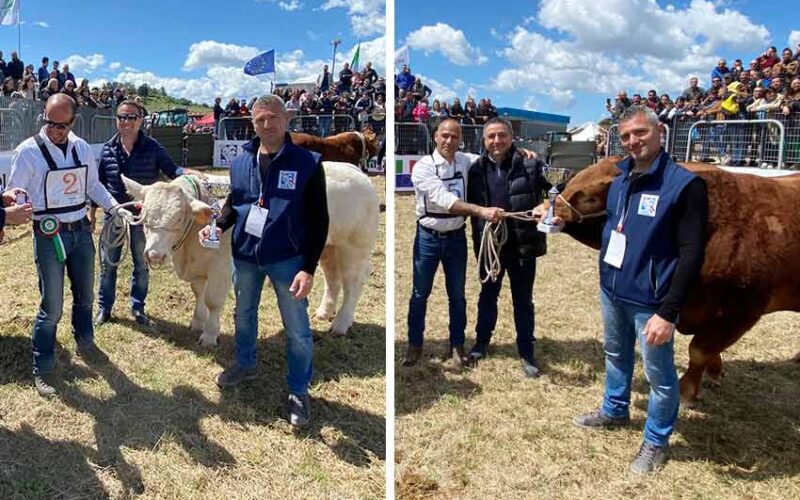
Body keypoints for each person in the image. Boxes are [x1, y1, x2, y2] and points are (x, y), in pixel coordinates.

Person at [572, 105, 708, 474]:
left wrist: (668, 312)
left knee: (659, 376)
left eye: (640, 133)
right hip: (613, 289)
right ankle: (615, 410)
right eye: (627, 136)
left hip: (652, 301)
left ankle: (656, 440)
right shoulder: (620, 181)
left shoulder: (685, 186)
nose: (633, 141)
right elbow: (613, 228)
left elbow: (692, 254)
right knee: (615, 353)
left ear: (659, 131)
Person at [198, 95, 329, 426]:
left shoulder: (308, 162)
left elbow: (320, 220)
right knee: (243, 315)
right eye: (259, 120)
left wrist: (309, 268)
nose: (266, 125)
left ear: (286, 120)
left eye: (272, 118)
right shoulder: (241, 160)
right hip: (245, 256)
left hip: (288, 258)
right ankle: (245, 364)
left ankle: (299, 391)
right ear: (252, 123)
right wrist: (217, 226)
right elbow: (235, 203)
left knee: (297, 328)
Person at [7, 94, 127, 397]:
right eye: (49, 122)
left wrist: (115, 208)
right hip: (49, 235)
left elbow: (93, 186)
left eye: (61, 125)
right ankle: (43, 366)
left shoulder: (82, 148)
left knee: (85, 294)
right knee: (52, 306)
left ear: (73, 122)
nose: (55, 130)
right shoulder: (28, 152)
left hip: (81, 232)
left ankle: (85, 339)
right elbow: (13, 193)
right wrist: (17, 210)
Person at [403, 119, 502, 367]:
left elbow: (494, 152)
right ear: (435, 136)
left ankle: (457, 344)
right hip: (428, 238)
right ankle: (415, 344)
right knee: (419, 294)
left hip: (456, 238)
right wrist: (481, 211)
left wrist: (522, 152)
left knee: (457, 295)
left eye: (455, 137)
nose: (449, 141)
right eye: (445, 136)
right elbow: (445, 200)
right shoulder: (423, 168)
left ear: (461, 140)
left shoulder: (465, 161)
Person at [91, 100, 197, 328]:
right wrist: (92, 212)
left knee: (142, 262)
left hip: (145, 217)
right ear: (116, 120)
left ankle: (137, 307)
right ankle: (104, 308)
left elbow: (172, 170)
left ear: (140, 120)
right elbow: (98, 184)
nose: (126, 122)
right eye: (121, 117)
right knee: (108, 263)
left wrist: (187, 172)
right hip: (114, 215)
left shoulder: (153, 147)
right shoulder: (107, 149)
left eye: (131, 117)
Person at [466, 117, 551, 378]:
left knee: (523, 301)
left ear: (512, 138)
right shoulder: (476, 169)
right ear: (484, 140)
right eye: (491, 136)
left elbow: (558, 190)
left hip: (523, 245)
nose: (496, 141)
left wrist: (547, 205)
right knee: (487, 296)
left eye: (502, 135)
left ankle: (526, 351)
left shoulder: (532, 164)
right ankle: (481, 343)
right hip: (490, 245)